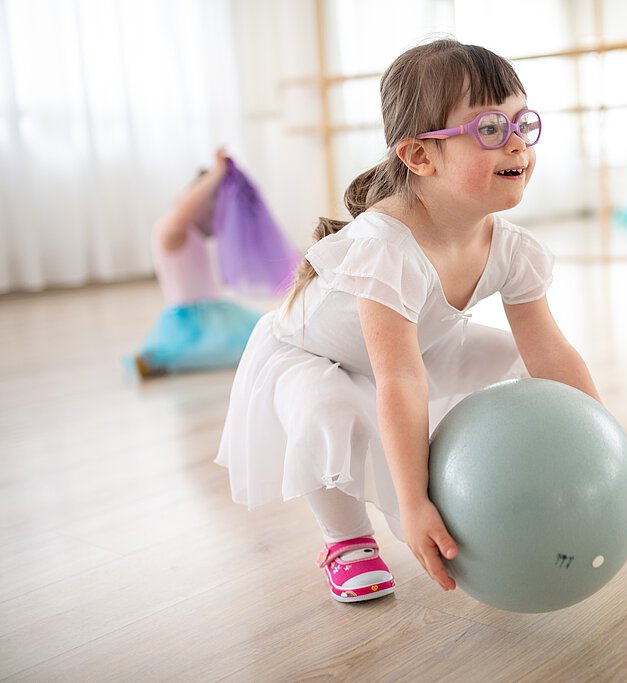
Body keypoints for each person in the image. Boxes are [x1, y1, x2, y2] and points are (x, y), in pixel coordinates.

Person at [215, 39, 601, 605]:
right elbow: (398, 380)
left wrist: (598, 439)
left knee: (520, 363)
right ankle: (346, 542)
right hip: (316, 355)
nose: (517, 141)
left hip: (419, 341)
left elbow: (549, 352)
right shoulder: (383, 246)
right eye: (491, 128)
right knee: (332, 415)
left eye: (523, 123)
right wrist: (416, 501)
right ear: (421, 156)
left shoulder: (512, 248)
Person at [129, 148, 297, 379]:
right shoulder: (171, 232)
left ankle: (163, 360)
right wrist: (217, 173)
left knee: (262, 333)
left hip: (218, 311)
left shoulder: (193, 233)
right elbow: (185, 208)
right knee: (231, 346)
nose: (215, 221)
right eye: (210, 212)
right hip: (189, 321)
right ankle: (158, 359)